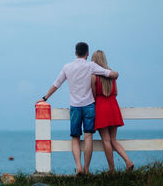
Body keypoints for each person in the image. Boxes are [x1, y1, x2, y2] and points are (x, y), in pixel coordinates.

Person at [36, 42, 119, 175]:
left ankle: (78, 166)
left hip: (75, 107)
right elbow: (110, 74)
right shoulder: (91, 65)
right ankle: (86, 169)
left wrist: (45, 98)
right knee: (88, 137)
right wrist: (116, 73)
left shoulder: (67, 67)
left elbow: (56, 84)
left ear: (75, 52)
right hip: (89, 106)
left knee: (75, 138)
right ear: (87, 53)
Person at [90, 50, 134, 173]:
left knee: (106, 140)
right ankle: (128, 161)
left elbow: (93, 95)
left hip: (101, 107)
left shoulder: (94, 76)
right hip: (113, 106)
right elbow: (116, 92)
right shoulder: (112, 74)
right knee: (113, 139)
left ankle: (112, 169)